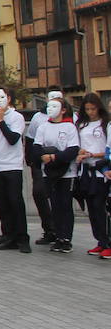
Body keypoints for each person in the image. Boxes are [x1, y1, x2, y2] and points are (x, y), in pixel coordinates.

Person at [0, 87, 30, 253]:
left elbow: (13, 139)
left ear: (9, 98)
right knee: (2, 204)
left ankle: (23, 238)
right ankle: (9, 236)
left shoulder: (17, 118)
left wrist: (1, 121)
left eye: (2, 97)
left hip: (12, 166)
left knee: (15, 202)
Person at [36, 97, 79, 254]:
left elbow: (72, 150)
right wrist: (43, 155)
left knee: (65, 205)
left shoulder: (69, 128)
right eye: (48, 106)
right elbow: (37, 147)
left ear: (63, 110)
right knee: (54, 205)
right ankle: (58, 236)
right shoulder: (43, 127)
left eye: (55, 106)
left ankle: (66, 239)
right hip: (49, 173)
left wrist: (55, 157)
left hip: (67, 174)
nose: (50, 109)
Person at [77, 94, 111, 258]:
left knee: (100, 206)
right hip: (85, 169)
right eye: (87, 109)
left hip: (101, 169)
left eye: (93, 108)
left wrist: (93, 154)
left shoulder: (105, 124)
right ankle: (99, 240)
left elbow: (108, 150)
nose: (90, 112)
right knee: (91, 207)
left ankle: (107, 241)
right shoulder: (82, 124)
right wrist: (81, 153)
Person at [26, 92, 59, 245]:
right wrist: (31, 160)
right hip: (40, 163)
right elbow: (30, 139)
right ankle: (49, 229)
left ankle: (62, 232)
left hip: (61, 163)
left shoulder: (72, 117)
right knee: (39, 193)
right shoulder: (38, 118)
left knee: (60, 198)